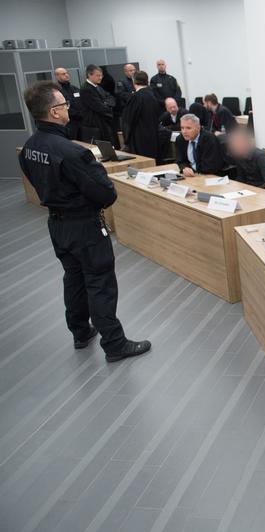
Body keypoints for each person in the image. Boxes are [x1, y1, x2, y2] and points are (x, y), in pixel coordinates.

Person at [18, 81, 151, 362]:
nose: (68, 108)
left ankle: (80, 332)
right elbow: (106, 193)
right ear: (54, 112)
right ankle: (114, 344)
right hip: (84, 227)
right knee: (99, 282)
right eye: (64, 104)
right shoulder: (73, 153)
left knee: (74, 278)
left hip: (57, 225)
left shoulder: (30, 147)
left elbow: (36, 181)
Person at [121, 71, 161, 159]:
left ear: (134, 81)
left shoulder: (136, 97)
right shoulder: (153, 95)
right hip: (153, 136)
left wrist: (126, 141)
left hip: (139, 138)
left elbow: (128, 120)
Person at [80, 64, 115, 143]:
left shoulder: (98, 87)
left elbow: (111, 99)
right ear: (89, 75)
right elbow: (100, 107)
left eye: (101, 75)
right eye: (98, 75)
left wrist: (106, 103)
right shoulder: (86, 89)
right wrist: (107, 105)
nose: (100, 77)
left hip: (103, 124)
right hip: (94, 126)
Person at [54, 67, 82, 140]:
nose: (67, 75)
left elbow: (83, 101)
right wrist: (77, 113)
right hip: (68, 124)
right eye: (63, 74)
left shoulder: (75, 88)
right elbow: (61, 107)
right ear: (57, 76)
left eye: (66, 73)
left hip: (81, 123)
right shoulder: (57, 91)